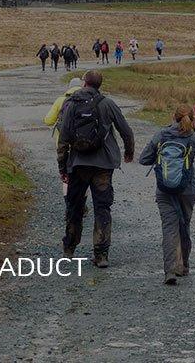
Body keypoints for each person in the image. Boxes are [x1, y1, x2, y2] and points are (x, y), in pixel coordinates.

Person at [58, 70, 135, 267]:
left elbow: (63, 137)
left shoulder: (71, 104)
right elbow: (126, 130)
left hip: (77, 165)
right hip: (103, 166)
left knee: (74, 207)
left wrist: (63, 167)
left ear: (84, 83)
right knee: (102, 208)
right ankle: (101, 255)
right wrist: (128, 153)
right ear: (99, 85)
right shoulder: (107, 104)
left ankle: (69, 249)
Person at [138, 105, 195, 284]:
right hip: (187, 189)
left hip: (164, 190)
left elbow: (143, 159)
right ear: (192, 119)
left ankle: (170, 271)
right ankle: (184, 266)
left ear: (173, 117)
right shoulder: (192, 137)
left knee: (169, 228)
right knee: (184, 225)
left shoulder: (162, 135)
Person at [44, 77, 85, 207]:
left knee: (67, 175)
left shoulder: (60, 100)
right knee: (83, 174)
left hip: (63, 145)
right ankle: (82, 203)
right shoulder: (88, 100)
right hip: (83, 144)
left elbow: (48, 120)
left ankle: (68, 203)